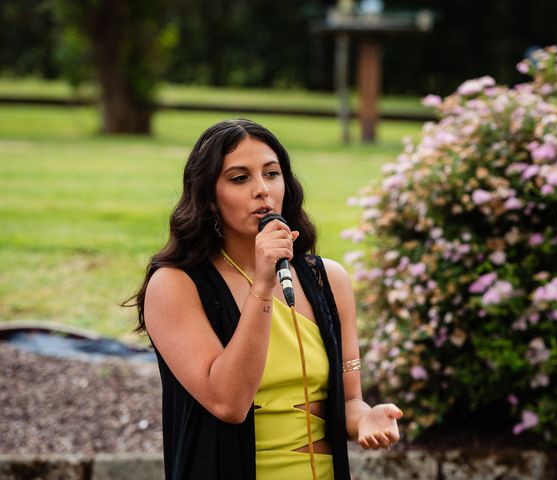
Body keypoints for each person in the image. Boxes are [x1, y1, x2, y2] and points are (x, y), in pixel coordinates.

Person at [128, 119, 402, 479]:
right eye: (240, 178)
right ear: (209, 198)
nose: (262, 190)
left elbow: (349, 400)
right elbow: (229, 402)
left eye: (271, 174)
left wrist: (366, 418)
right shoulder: (175, 286)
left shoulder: (328, 280)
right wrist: (262, 285)